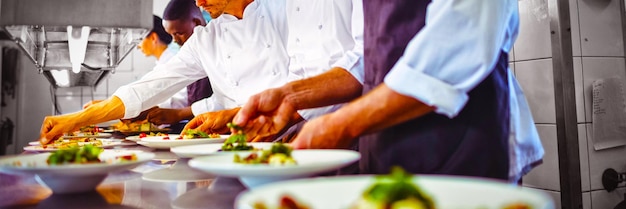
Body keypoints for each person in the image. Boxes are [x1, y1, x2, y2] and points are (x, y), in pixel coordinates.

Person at [233, 0, 544, 182]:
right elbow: (369, 56)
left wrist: (340, 123)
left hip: (465, 139)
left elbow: (461, 40)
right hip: (385, 142)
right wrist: (291, 97)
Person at [39, 0, 290, 144]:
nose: (199, 2)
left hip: (295, 140)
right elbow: (151, 86)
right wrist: (75, 120)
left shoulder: (283, 11)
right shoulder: (208, 39)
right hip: (239, 145)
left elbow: (308, 80)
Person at [183, 0, 363, 140]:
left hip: (355, 122)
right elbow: (298, 71)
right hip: (307, 129)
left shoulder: (276, 9)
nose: (199, 3)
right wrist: (268, 115)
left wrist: (289, 110)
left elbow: (363, 62)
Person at [127, 0, 213, 132]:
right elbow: (158, 83)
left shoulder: (214, 48)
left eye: (179, 33)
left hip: (215, 126)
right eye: (172, 35)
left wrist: (178, 114)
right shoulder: (188, 53)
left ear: (196, 23)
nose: (175, 40)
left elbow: (222, 100)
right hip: (199, 127)